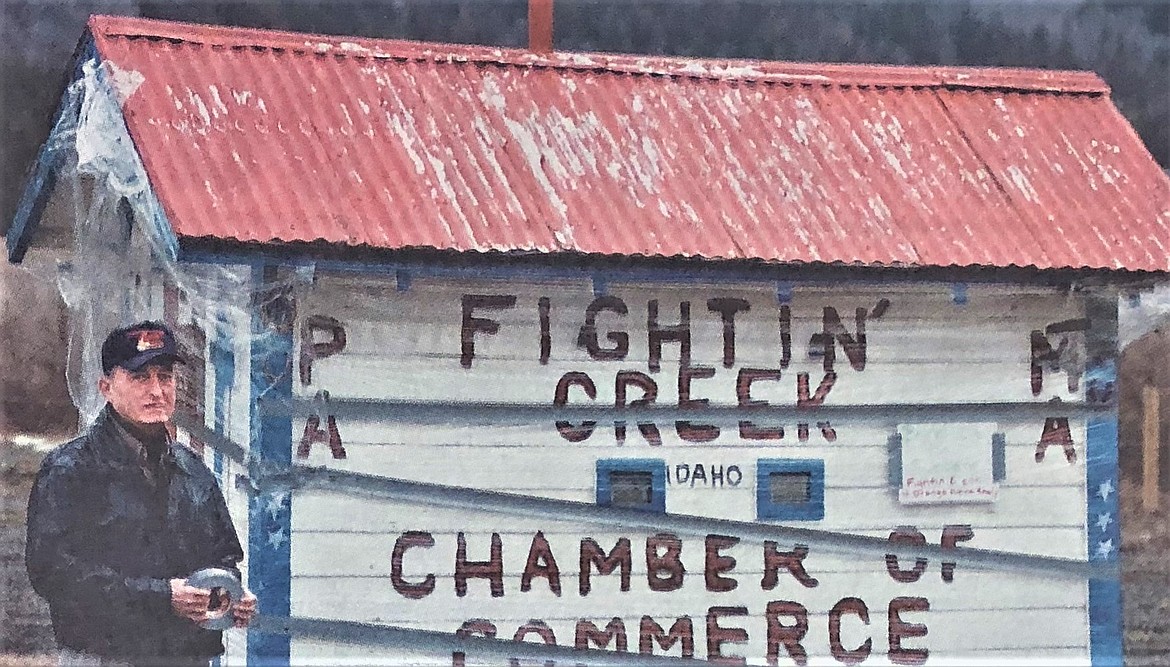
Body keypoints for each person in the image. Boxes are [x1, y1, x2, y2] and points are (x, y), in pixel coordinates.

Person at [26, 321, 257, 667]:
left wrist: (229, 594)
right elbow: (55, 574)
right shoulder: (70, 471)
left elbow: (223, 558)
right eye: (139, 378)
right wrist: (163, 597)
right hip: (105, 656)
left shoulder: (193, 471)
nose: (157, 391)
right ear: (106, 387)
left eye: (165, 377)